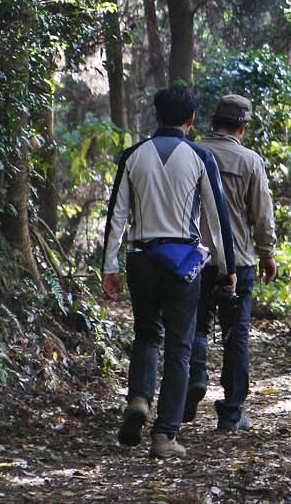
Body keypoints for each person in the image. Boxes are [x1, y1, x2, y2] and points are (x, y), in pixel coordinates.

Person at [101, 86, 237, 459]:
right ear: (191, 120)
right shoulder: (200, 156)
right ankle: (165, 435)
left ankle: (140, 399)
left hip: (142, 259)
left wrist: (110, 266)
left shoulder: (133, 156)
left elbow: (117, 215)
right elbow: (216, 217)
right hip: (183, 263)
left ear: (157, 117)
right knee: (179, 348)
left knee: (146, 334)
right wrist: (227, 268)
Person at [186, 93, 278, 431]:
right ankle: (232, 411)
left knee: (194, 325)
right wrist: (267, 252)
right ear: (243, 126)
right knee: (235, 333)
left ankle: (194, 377)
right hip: (238, 261)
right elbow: (261, 213)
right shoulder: (250, 161)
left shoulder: (191, 151)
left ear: (212, 120)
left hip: (193, 257)